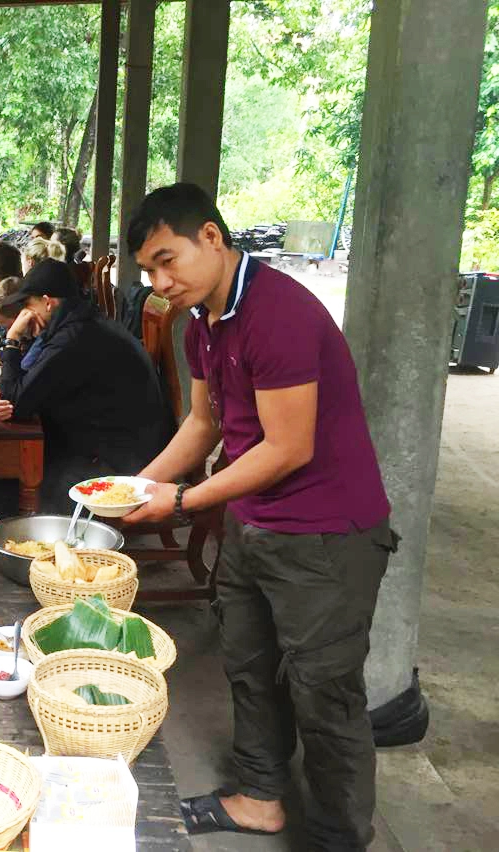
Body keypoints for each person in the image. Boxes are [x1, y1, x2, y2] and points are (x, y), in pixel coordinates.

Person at [121, 182, 396, 849]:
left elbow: (288, 447)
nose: (160, 283)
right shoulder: (202, 325)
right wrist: (134, 485)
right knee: (246, 661)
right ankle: (259, 798)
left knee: (324, 694)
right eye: (148, 273)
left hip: (326, 534)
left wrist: (182, 502)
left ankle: (339, 836)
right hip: (253, 522)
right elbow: (203, 422)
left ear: (210, 237)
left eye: (167, 260)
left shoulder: (279, 313)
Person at [0, 259, 172, 511]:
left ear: (47, 301)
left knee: (4, 480)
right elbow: (23, 390)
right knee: (7, 471)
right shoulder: (80, 322)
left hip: (120, 460)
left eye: (27, 306)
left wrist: (12, 339)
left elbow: (18, 402)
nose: (24, 314)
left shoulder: (72, 337)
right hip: (120, 442)